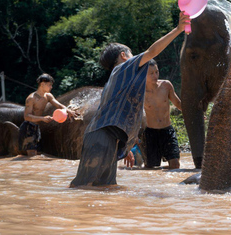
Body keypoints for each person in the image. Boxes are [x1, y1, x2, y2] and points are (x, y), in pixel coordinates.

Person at [70, 12, 189, 188]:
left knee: (104, 187)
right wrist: (178, 29)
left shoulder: (117, 79)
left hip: (108, 139)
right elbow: (152, 51)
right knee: (82, 186)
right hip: (102, 137)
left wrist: (124, 147)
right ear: (125, 55)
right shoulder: (124, 67)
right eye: (132, 53)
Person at [21, 73, 76, 156]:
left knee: (38, 154)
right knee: (32, 156)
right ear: (42, 84)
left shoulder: (48, 96)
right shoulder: (31, 98)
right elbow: (26, 117)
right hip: (29, 128)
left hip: (37, 126)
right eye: (49, 85)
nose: (51, 87)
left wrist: (68, 110)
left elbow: (59, 105)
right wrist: (42, 118)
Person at [141, 59, 182, 169]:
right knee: (151, 169)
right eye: (151, 73)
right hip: (150, 134)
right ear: (144, 75)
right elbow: (132, 113)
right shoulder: (140, 92)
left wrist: (193, 114)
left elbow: (178, 103)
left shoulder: (166, 86)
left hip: (167, 131)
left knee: (175, 165)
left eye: (156, 72)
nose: (155, 75)